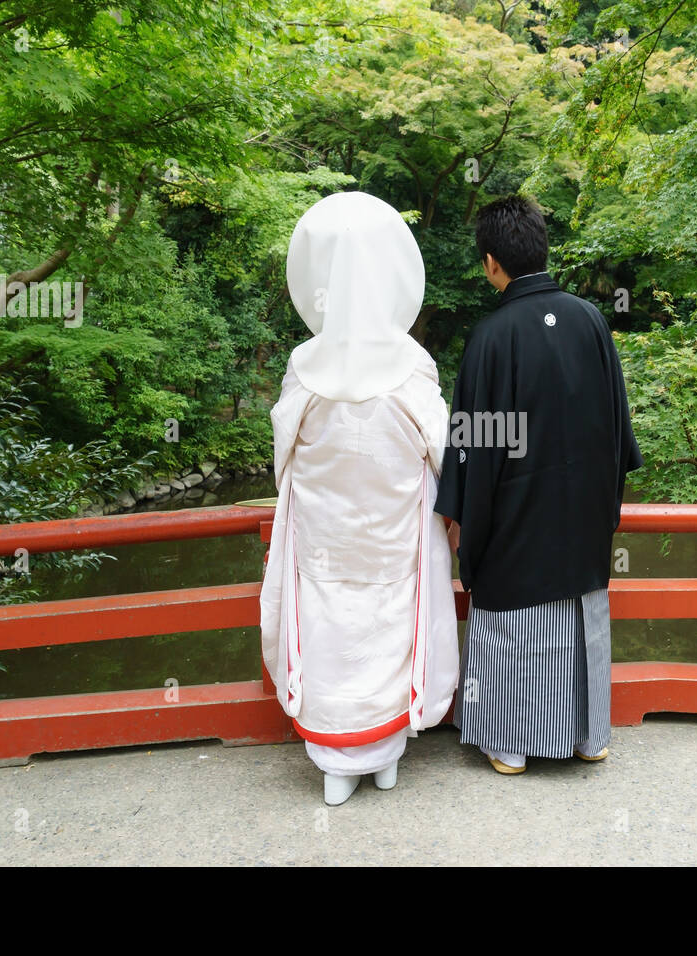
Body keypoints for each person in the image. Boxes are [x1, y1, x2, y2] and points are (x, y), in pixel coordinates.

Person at [260, 191, 459, 806]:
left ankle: (334, 765)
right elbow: (442, 452)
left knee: (325, 634)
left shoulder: (303, 362)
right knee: (392, 628)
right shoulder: (412, 362)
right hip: (393, 533)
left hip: (324, 538)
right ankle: (386, 757)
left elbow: (284, 455)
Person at [435, 195, 643, 774]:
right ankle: (588, 735)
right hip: (582, 518)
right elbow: (617, 431)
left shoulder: (490, 337)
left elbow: (475, 447)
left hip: (516, 523)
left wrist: (461, 515)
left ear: (491, 262)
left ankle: (510, 743)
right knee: (582, 619)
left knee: (513, 625)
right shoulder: (591, 321)